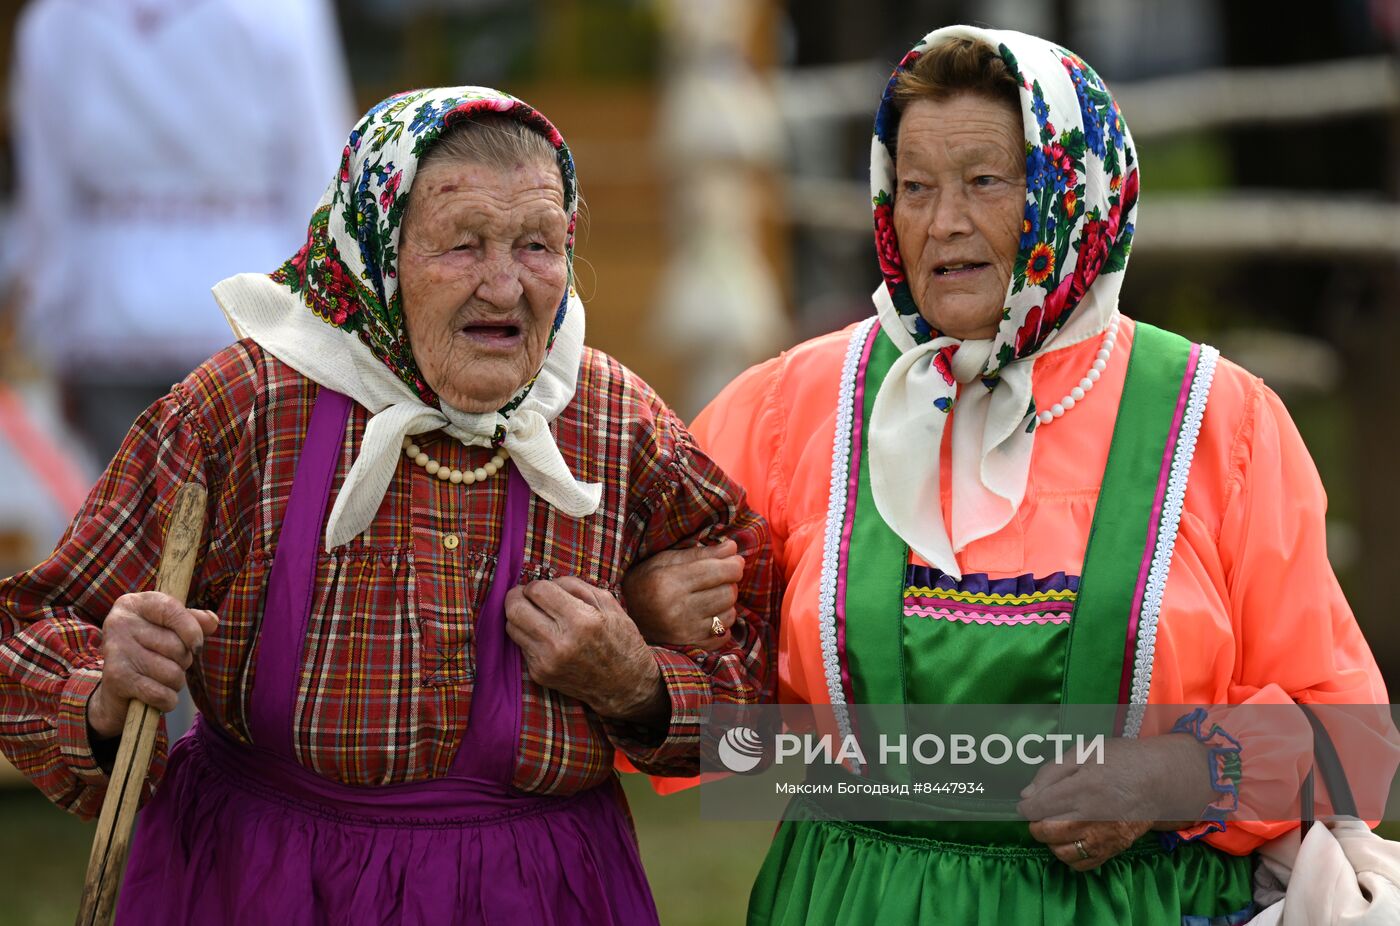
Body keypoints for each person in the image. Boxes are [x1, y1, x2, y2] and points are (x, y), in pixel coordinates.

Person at [624, 26, 1391, 925]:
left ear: (1075, 191)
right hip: (849, 903)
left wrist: (1173, 776)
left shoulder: (1217, 420)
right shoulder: (795, 408)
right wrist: (647, 623)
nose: (942, 223)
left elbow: (1357, 749)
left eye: (986, 181)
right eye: (914, 187)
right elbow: (722, 739)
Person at [0, 87, 775, 924]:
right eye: (462, 245)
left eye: (539, 245)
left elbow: (760, 726)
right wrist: (105, 694)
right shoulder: (248, 407)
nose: (505, 286)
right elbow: (30, 633)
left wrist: (638, 683)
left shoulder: (618, 426)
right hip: (263, 886)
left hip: (539, 893)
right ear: (375, 249)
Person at [8, 0, 353, 464]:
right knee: (244, 526)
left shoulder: (56, 21)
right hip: (249, 317)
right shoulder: (281, 11)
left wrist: (48, 323)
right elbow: (318, 172)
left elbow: (48, 201)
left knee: (126, 527)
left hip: (107, 319)